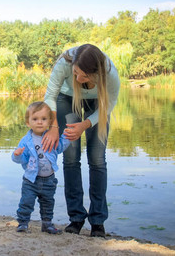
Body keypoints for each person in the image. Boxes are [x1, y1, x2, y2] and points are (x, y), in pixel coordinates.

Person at [42, 44, 120, 238]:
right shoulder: (64, 63)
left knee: (97, 160)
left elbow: (109, 104)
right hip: (67, 99)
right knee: (70, 158)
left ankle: (98, 222)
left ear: (95, 74)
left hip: (98, 103)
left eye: (82, 76)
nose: (77, 79)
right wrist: (53, 128)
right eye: (75, 72)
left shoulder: (110, 73)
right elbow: (50, 96)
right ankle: (76, 218)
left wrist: (85, 124)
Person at [12, 101, 70, 234]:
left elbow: (60, 147)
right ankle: (23, 223)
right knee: (26, 202)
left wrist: (67, 137)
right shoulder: (26, 141)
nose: (39, 122)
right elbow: (21, 159)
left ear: (50, 121)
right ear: (28, 122)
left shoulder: (51, 137)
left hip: (49, 179)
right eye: (35, 119)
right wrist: (17, 155)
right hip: (31, 180)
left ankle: (47, 224)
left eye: (44, 119)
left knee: (48, 203)